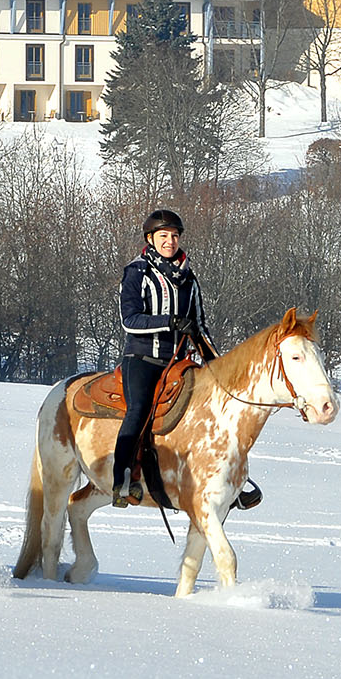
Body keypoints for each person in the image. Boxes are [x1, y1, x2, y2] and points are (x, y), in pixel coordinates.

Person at [112, 207, 215, 506]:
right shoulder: (137, 272)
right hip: (142, 359)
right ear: (150, 238)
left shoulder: (189, 279)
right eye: (163, 236)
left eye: (174, 236)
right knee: (139, 409)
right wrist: (168, 321)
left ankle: (229, 479)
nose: (170, 241)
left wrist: (216, 365)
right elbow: (129, 320)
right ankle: (121, 477)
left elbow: (199, 326)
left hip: (180, 365)